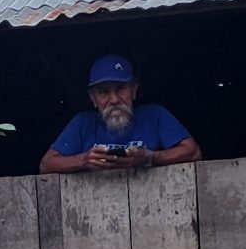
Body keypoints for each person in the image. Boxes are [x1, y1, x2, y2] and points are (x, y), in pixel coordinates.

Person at [38, 54, 200, 174]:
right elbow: (47, 165)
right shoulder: (83, 123)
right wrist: (84, 160)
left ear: (134, 90)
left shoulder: (155, 115)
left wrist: (149, 158)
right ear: (93, 99)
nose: (114, 99)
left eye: (120, 89)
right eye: (104, 92)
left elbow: (193, 152)